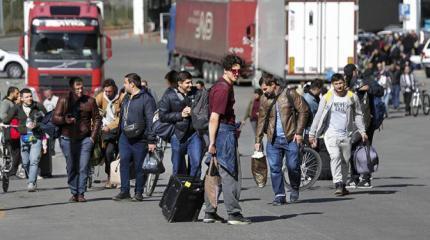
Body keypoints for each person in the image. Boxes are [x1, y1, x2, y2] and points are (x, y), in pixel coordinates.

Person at [203, 54, 251, 225]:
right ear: (226, 69)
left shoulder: (221, 85)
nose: (237, 73)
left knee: (214, 174)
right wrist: (212, 143)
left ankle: (210, 212)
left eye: (239, 71)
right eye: (234, 70)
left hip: (221, 133)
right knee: (231, 174)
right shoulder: (223, 89)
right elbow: (214, 117)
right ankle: (234, 214)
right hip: (223, 134)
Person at [309, 74, 367, 196]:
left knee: (345, 161)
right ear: (332, 85)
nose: (339, 86)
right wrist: (312, 133)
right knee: (335, 156)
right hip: (331, 134)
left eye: (341, 83)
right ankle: (338, 184)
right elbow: (318, 116)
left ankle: (343, 184)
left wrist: (362, 131)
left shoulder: (352, 97)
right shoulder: (327, 97)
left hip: (346, 134)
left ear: (344, 83)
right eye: (336, 84)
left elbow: (358, 114)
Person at [254, 74, 309, 205]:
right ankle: (279, 195)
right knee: (274, 168)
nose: (264, 92)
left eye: (265, 88)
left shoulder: (290, 93)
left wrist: (299, 132)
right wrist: (258, 140)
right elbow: (261, 119)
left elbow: (304, 110)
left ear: (273, 85)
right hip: (273, 139)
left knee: (293, 166)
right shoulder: (264, 98)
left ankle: (295, 187)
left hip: (291, 138)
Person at [53, 77, 102, 202]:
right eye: (77, 89)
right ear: (71, 88)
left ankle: (81, 193)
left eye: (81, 88)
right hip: (67, 139)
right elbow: (55, 118)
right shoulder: (64, 100)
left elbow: (97, 119)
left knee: (83, 166)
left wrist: (93, 138)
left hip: (85, 139)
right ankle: (74, 192)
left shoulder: (90, 101)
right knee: (71, 167)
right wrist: (65, 120)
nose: (80, 91)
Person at [112, 73, 156, 202]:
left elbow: (151, 120)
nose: (124, 85)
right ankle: (124, 191)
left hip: (140, 138)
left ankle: (138, 192)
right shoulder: (126, 97)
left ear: (132, 84)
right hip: (125, 137)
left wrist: (151, 140)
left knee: (139, 166)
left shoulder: (147, 99)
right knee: (124, 162)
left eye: (125, 83)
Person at [345, 64, 384, 188]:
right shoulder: (346, 84)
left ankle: (366, 178)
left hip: (368, 121)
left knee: (364, 149)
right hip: (352, 122)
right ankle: (355, 178)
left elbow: (380, 91)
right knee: (353, 149)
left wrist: (369, 89)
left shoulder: (366, 80)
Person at [159, 71, 203, 177]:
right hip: (178, 135)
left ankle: (192, 186)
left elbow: (205, 110)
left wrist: (193, 111)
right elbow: (163, 116)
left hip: (194, 134)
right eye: (187, 83)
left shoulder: (197, 93)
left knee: (196, 163)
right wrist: (180, 115)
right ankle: (179, 189)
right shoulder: (169, 95)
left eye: (191, 82)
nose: (190, 85)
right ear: (179, 83)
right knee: (178, 167)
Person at [3, 88, 47, 192]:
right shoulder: (16, 107)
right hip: (24, 137)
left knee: (34, 160)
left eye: (30, 96)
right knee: (26, 163)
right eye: (26, 97)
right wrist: (7, 123)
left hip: (37, 136)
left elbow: (48, 119)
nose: (29, 98)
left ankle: (31, 183)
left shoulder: (38, 105)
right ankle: (32, 178)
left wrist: (38, 124)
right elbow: (6, 119)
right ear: (21, 98)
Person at [95, 79, 124, 188]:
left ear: (114, 90)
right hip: (105, 132)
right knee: (107, 153)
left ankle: (117, 178)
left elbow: (121, 117)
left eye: (109, 91)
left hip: (117, 130)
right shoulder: (101, 97)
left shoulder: (120, 98)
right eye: (105, 91)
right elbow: (93, 108)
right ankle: (110, 177)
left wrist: (110, 126)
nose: (107, 93)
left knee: (116, 153)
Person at [0, 87, 22, 178]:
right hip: (9, 130)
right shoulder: (6, 102)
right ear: (12, 93)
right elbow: (3, 116)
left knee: (16, 150)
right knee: (14, 150)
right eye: (17, 93)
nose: (18, 95)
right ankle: (12, 170)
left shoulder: (12, 103)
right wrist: (13, 118)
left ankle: (15, 170)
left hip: (15, 129)